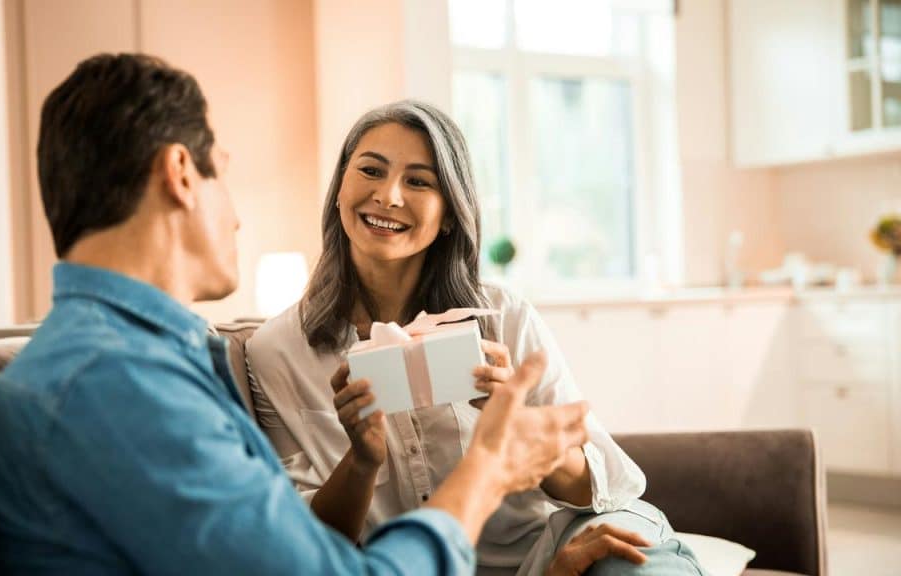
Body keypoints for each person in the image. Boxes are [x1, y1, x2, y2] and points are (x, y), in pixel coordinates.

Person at [0, 53, 600, 575]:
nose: (236, 218)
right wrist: (488, 470)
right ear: (181, 174)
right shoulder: (119, 384)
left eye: (419, 181)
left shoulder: (146, 361)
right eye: (223, 176)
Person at [245, 100, 707, 575]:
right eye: (370, 170)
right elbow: (304, 546)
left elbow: (597, 489)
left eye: (419, 181)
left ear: (449, 214)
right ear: (340, 187)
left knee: (628, 559)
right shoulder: (278, 350)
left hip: (546, 554)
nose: (388, 195)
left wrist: (516, 424)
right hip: (408, 566)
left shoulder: (503, 316)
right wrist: (362, 462)